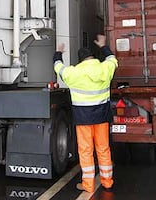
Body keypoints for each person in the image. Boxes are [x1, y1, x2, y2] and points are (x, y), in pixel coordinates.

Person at [53, 34, 118, 193]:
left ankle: (88, 185)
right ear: (92, 57)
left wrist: (58, 52)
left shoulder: (73, 73)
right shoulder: (104, 68)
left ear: (80, 60)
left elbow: (58, 67)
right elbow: (112, 60)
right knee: (103, 149)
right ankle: (107, 182)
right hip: (101, 118)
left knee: (86, 151)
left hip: (83, 119)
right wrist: (103, 46)